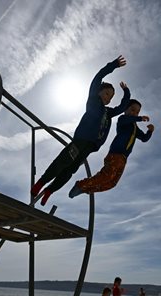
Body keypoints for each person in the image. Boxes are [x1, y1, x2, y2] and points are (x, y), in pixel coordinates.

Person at [31, 55, 131, 205]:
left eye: (111, 97)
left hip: (90, 147)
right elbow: (98, 76)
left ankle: (50, 190)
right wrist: (114, 65)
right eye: (107, 93)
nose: (108, 98)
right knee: (64, 161)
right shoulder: (93, 100)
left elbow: (122, 108)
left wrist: (127, 93)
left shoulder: (108, 113)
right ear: (98, 92)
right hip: (80, 140)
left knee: (70, 170)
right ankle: (41, 183)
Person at [68, 99, 154, 198]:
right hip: (115, 154)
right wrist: (139, 118)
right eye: (132, 110)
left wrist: (150, 131)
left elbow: (143, 138)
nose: (135, 113)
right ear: (125, 109)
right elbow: (128, 119)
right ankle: (80, 185)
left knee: (112, 182)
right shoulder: (123, 119)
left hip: (124, 158)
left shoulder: (135, 128)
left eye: (137, 112)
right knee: (106, 176)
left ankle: (86, 189)